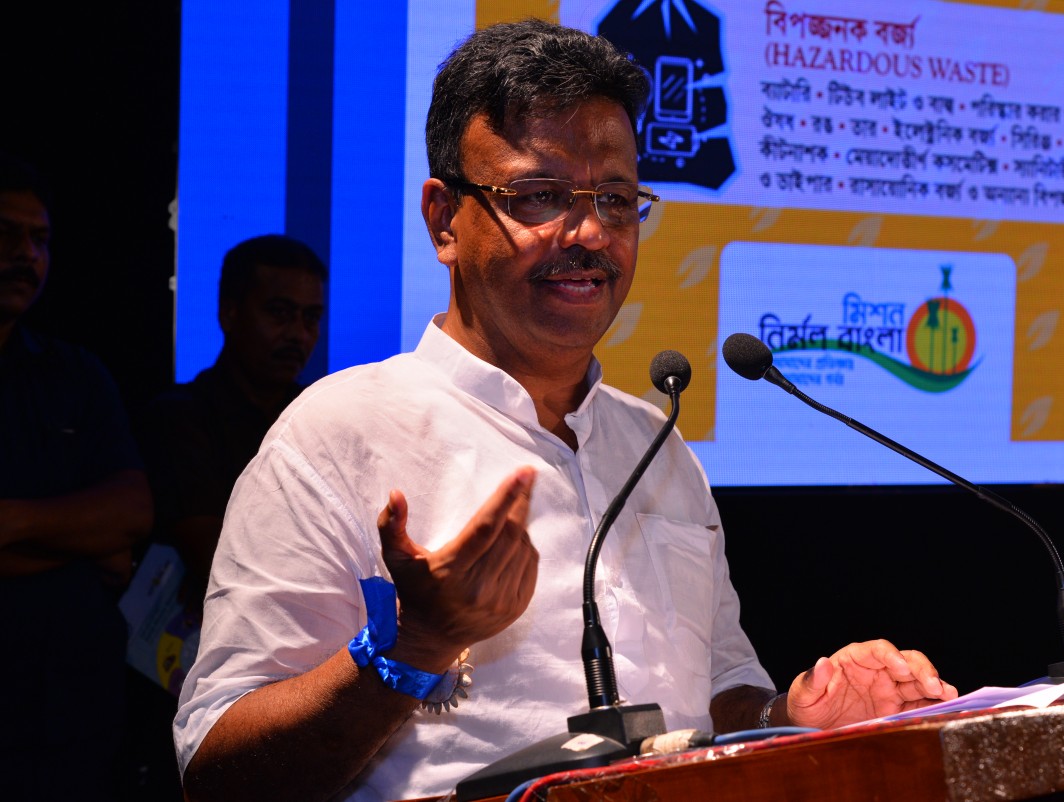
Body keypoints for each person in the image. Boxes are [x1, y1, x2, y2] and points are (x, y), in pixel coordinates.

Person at [174, 19, 958, 802]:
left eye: (615, 200)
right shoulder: (337, 434)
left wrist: (792, 714)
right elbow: (215, 769)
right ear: (444, 221)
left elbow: (718, 700)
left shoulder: (657, 446)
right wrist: (413, 648)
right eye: (539, 197)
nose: (589, 233)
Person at [0, 151, 154, 800]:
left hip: (69, 718)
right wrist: (80, 544)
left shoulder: (75, 373)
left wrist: (12, 522)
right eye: (7, 234)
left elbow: (132, 513)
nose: (26, 254)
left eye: (39, 239)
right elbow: (106, 537)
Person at [137, 233, 327, 610]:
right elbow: (216, 558)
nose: (298, 334)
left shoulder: (321, 415)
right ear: (229, 313)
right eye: (279, 312)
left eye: (310, 317)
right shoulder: (179, 417)